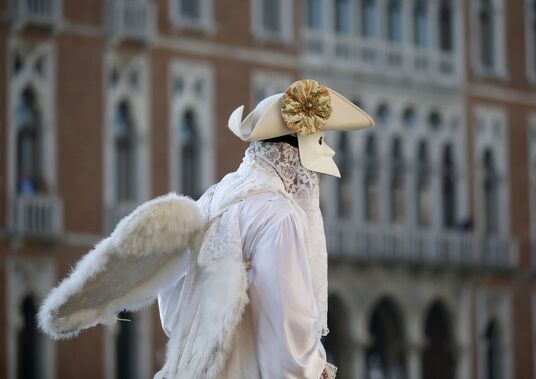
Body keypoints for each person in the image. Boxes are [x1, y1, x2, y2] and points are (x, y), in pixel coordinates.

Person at [37, 79, 374, 379]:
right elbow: (288, 341)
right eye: (319, 141)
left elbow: (173, 315)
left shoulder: (210, 200)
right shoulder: (278, 215)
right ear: (299, 148)